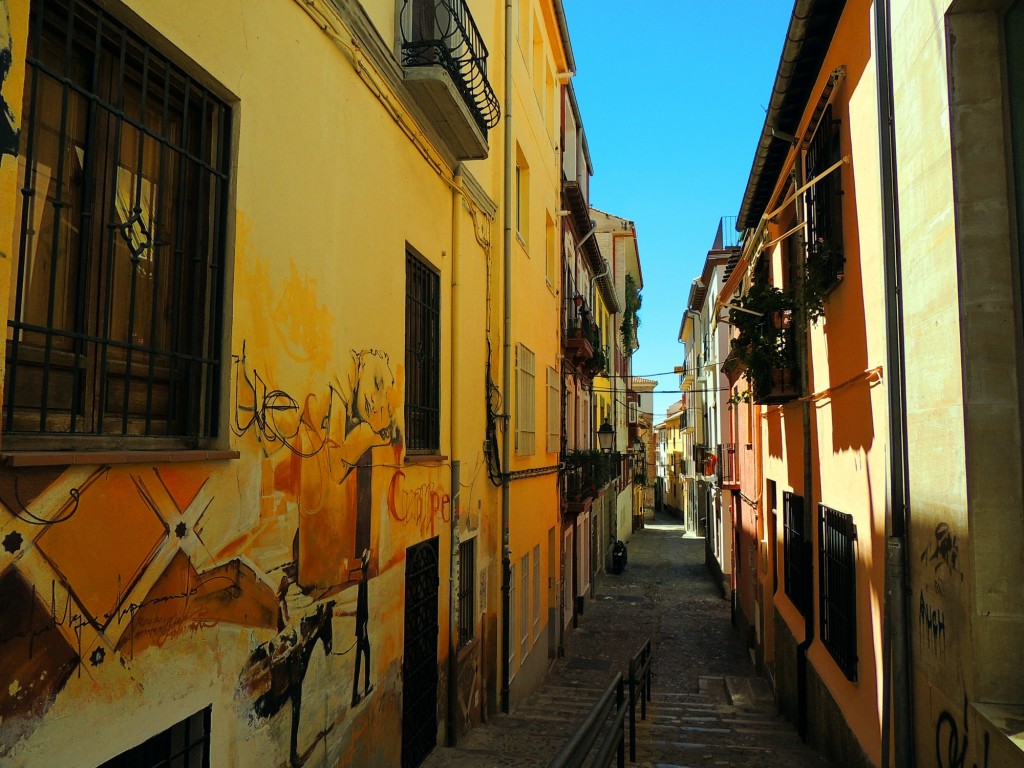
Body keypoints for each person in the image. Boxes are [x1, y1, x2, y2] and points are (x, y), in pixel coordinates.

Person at [350, 548, 373, 706]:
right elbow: (363, 608)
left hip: (359, 629)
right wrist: (364, 628)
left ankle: (355, 695)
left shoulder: (361, 580)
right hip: (362, 629)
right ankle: (365, 687)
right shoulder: (363, 581)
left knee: (360, 660)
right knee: (366, 656)